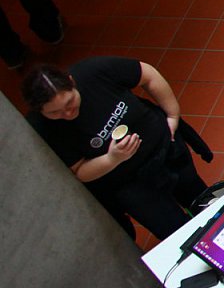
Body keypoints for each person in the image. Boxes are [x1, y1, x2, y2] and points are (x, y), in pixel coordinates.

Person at [24, 59, 213, 240]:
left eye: (69, 102)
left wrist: (172, 114)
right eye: (54, 112)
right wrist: (112, 159)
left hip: (167, 151)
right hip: (130, 185)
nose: (67, 113)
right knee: (175, 232)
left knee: (203, 201)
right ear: (41, 112)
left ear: (72, 82)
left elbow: (148, 74)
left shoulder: (93, 72)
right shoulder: (43, 127)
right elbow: (80, 171)